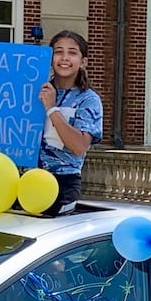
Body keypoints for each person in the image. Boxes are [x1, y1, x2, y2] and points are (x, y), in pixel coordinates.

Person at [36, 30, 104, 215]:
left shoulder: (89, 100)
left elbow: (79, 146)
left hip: (62, 182)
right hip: (25, 178)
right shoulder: (36, 90)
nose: (64, 58)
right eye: (58, 52)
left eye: (72, 52)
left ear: (83, 62)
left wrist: (52, 109)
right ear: (51, 58)